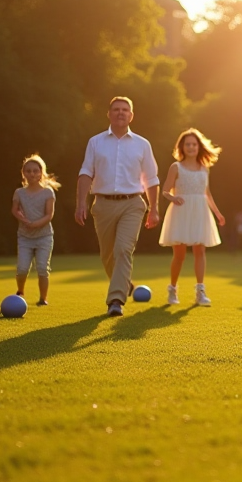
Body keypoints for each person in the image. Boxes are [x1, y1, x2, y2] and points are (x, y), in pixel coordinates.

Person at [75, 97, 160, 317]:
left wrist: (154, 208)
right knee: (108, 255)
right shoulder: (96, 142)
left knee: (123, 249)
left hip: (133, 204)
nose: (120, 113)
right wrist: (80, 203)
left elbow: (151, 179)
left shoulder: (143, 144)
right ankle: (125, 284)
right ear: (109, 114)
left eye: (125, 110)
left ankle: (115, 300)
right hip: (102, 205)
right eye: (116, 109)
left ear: (131, 115)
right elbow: (86, 173)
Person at [159, 128, 226, 307]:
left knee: (200, 251)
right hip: (181, 211)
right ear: (182, 147)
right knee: (179, 255)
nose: (191, 147)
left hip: (200, 211)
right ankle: (172, 289)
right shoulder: (176, 167)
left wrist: (217, 213)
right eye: (187, 144)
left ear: (199, 147)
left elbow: (207, 194)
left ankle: (200, 292)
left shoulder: (205, 169)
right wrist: (173, 197)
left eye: (194, 144)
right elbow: (165, 190)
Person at [12, 154, 58, 306]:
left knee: (42, 269)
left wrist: (36, 224)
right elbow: (15, 210)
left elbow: (49, 215)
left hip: (44, 237)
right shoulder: (19, 192)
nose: (32, 174)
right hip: (24, 237)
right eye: (28, 171)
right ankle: (20, 292)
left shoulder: (48, 192)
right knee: (22, 269)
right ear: (23, 173)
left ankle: (43, 298)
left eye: (35, 171)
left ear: (41, 173)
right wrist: (22, 219)